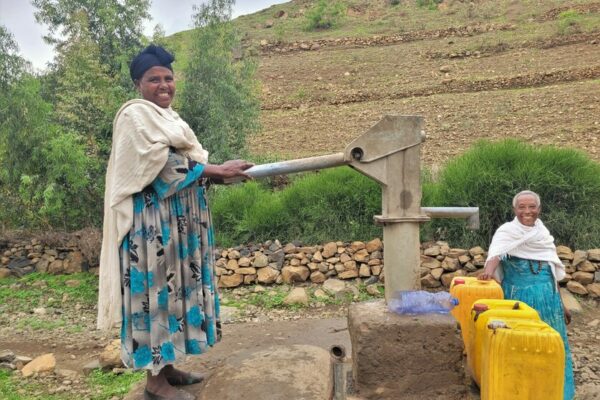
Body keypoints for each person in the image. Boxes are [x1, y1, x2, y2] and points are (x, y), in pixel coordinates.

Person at [97, 44, 253, 400]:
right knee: (153, 297)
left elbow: (189, 162)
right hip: (150, 229)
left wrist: (216, 172)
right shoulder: (134, 117)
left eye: (168, 78)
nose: (164, 85)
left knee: (175, 294)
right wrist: (215, 170)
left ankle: (168, 368)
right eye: (154, 79)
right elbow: (160, 164)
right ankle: (154, 383)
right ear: (139, 83)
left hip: (178, 226)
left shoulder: (171, 118)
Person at [479, 190, 575, 400]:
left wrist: (562, 304)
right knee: (520, 345)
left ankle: (556, 393)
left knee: (552, 345)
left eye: (532, 207)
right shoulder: (507, 231)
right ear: (515, 210)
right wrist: (488, 271)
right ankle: (519, 392)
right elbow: (495, 254)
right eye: (521, 207)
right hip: (518, 302)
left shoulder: (543, 235)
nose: (527, 211)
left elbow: (551, 272)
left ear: (539, 209)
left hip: (549, 301)